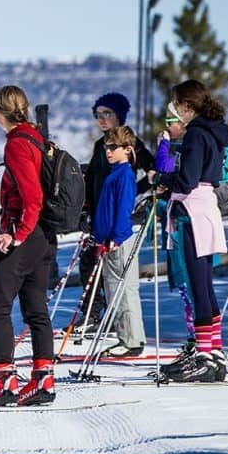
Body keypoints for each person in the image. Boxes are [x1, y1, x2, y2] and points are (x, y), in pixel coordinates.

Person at [0, 86, 55, 407]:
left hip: (28, 234)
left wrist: (16, 234)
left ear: (0, 111)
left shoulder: (18, 144)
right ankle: (43, 378)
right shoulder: (35, 137)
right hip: (44, 234)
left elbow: (32, 197)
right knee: (35, 308)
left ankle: (5, 381)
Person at [152, 80, 228, 382]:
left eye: (177, 105)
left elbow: (187, 179)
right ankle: (214, 351)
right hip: (206, 208)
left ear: (187, 105)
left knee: (199, 285)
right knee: (205, 284)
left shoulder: (196, 133)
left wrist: (161, 178)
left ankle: (204, 354)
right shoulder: (213, 130)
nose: (176, 111)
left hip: (192, 211)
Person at [77, 92, 153, 336]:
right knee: (89, 263)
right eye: (97, 115)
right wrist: (87, 208)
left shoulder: (128, 144)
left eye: (107, 113)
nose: (101, 119)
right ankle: (95, 313)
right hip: (99, 213)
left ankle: (117, 324)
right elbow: (91, 179)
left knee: (115, 275)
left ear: (119, 114)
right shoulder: (102, 145)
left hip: (115, 219)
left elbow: (149, 171)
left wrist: (139, 192)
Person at [91, 126, 146, 357]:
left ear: (127, 149)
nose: (108, 151)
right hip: (108, 240)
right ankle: (128, 337)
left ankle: (132, 341)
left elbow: (123, 209)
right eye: (106, 147)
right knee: (115, 290)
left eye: (114, 147)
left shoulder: (124, 174)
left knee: (124, 290)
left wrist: (115, 236)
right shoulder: (114, 172)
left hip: (119, 240)